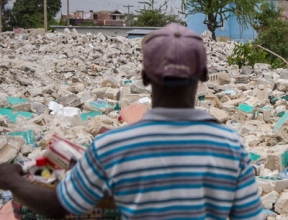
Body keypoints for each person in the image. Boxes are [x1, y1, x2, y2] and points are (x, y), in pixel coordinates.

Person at [0, 23, 263, 220]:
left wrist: (13, 180)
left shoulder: (112, 146)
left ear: (145, 76)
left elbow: (60, 206)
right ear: (205, 74)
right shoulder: (230, 144)